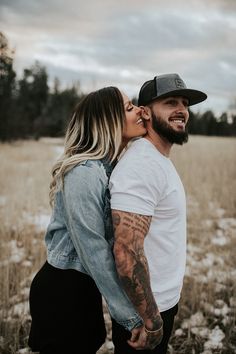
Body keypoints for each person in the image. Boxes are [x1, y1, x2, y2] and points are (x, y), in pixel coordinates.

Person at [28, 86, 151, 354]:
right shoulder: (83, 172)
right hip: (62, 293)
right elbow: (93, 249)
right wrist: (130, 316)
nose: (139, 111)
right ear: (108, 121)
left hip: (82, 289)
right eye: (129, 108)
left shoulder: (107, 168)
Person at [109, 73, 207, 354]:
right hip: (145, 313)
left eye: (185, 103)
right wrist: (150, 319)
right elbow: (126, 252)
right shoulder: (142, 164)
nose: (182, 110)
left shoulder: (156, 158)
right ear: (145, 112)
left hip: (159, 304)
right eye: (170, 102)